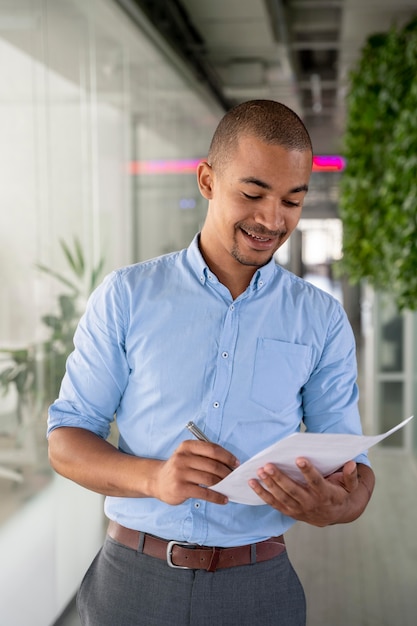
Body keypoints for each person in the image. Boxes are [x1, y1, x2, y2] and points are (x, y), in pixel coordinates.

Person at [47, 99, 375, 626]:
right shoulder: (128, 296)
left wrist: (340, 505)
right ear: (206, 180)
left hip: (260, 586)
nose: (272, 219)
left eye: (292, 200)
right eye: (253, 193)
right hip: (131, 581)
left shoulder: (322, 319)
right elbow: (65, 442)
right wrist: (154, 478)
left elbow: (351, 469)